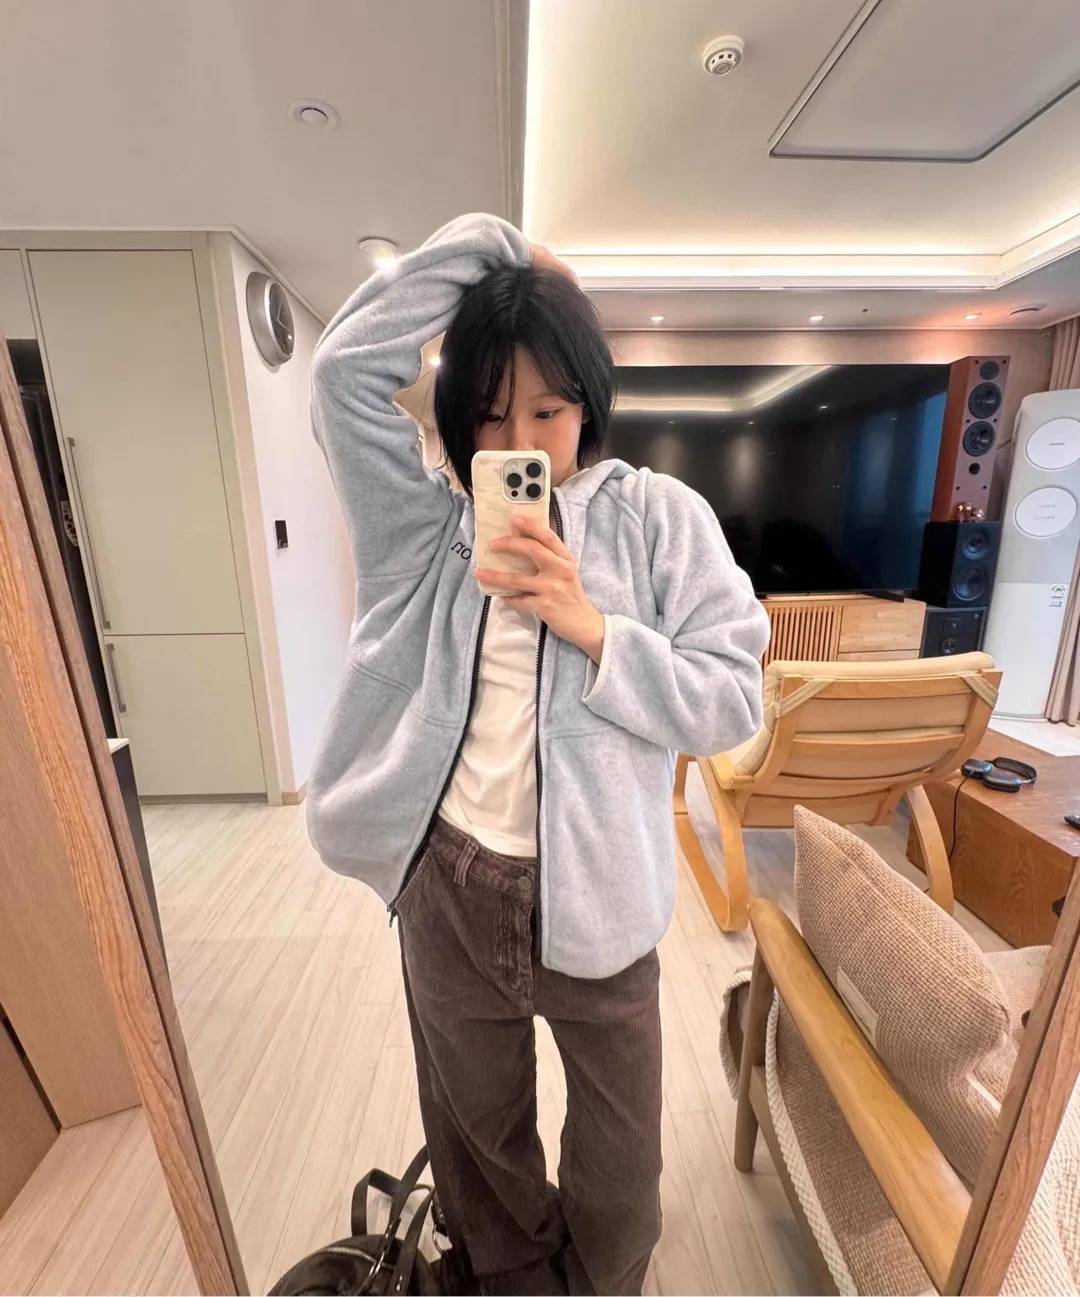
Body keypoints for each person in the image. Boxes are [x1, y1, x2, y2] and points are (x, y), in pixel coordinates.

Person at [306, 214, 770, 1296]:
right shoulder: (420, 529)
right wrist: (501, 253)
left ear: (589, 406)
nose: (517, 439)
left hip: (602, 891)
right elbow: (340, 372)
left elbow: (733, 696)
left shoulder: (660, 520)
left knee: (623, 1182)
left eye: (548, 410)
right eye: (488, 412)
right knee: (482, 1154)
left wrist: (595, 626)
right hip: (451, 884)